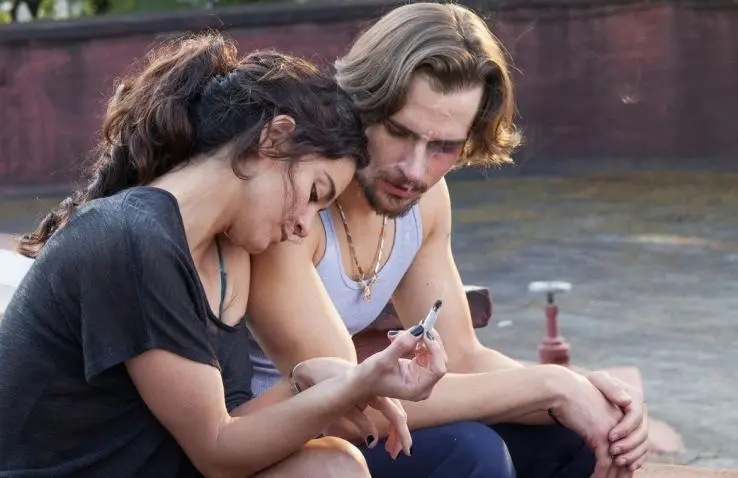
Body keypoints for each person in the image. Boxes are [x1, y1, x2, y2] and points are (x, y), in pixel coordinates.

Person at [0, 32, 449, 478]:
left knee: (332, 464)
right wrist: (355, 383)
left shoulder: (225, 256)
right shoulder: (130, 236)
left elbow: (230, 424)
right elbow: (217, 451)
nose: (303, 226)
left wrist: (304, 380)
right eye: (314, 193)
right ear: (275, 139)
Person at [246, 3, 651, 478]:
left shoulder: (426, 200)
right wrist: (551, 386)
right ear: (361, 104)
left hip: (365, 422)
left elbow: (462, 356)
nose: (414, 170)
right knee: (472, 452)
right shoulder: (296, 204)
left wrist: (586, 394)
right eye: (400, 132)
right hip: (277, 444)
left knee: (578, 438)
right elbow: (347, 401)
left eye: (443, 147)